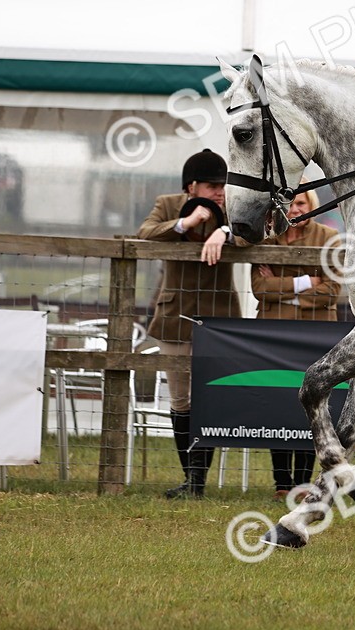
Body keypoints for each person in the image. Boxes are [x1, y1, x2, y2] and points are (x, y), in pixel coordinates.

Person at [138, 148, 243, 498]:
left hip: (219, 319)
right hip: (174, 317)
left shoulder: (235, 206)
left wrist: (224, 232)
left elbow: (257, 234)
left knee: (207, 398)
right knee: (181, 399)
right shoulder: (167, 204)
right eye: (212, 185)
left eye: (222, 185)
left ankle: (197, 479)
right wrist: (185, 224)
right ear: (191, 186)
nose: (220, 191)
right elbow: (146, 233)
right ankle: (191, 479)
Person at [250, 189, 340, 499]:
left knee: (311, 403)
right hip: (272, 336)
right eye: (289, 204)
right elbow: (260, 289)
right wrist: (305, 283)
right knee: (276, 403)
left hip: (312, 336)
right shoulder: (267, 239)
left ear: (312, 206)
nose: (295, 209)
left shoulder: (330, 238)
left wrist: (283, 290)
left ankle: (303, 482)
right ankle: (281, 482)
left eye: (301, 202)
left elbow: (330, 291)